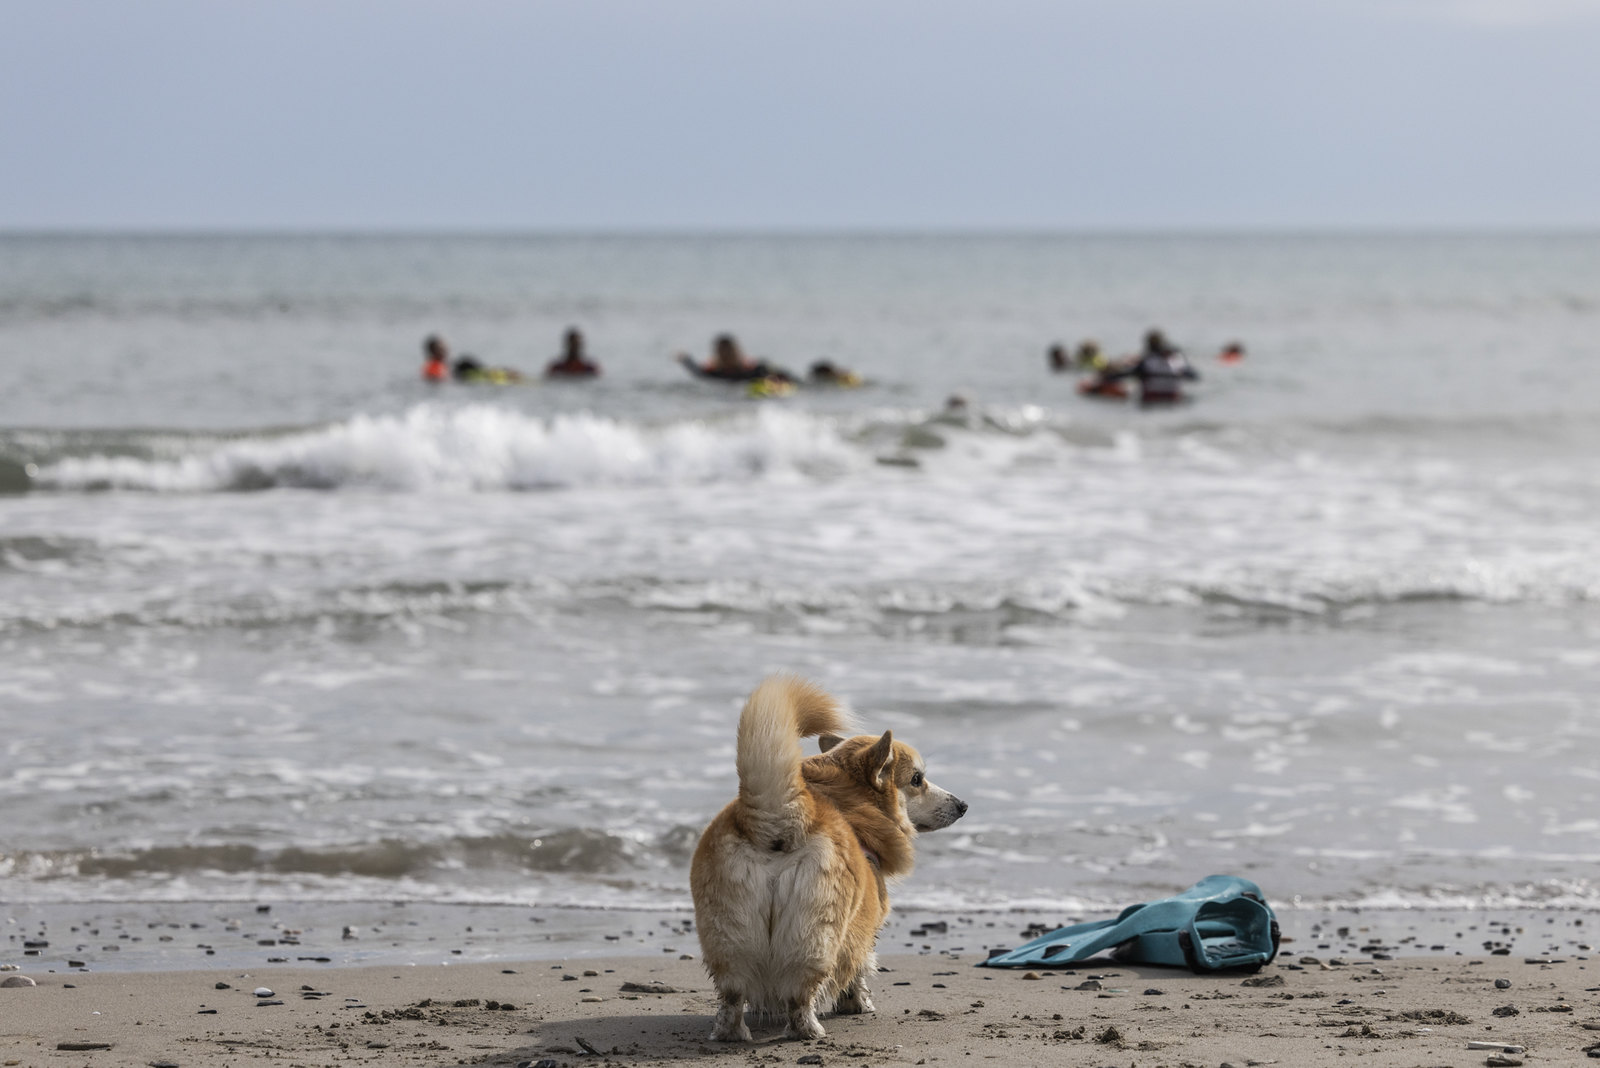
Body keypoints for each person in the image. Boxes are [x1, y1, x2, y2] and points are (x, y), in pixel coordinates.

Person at [1103, 328, 1199, 404]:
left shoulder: (1147, 361)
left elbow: (1129, 373)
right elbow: (1194, 376)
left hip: (1150, 401)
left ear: (1148, 345)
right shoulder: (1177, 359)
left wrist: (1108, 377)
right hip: (1173, 400)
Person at [677, 334, 794, 383]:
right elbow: (698, 372)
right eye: (723, 353)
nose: (727, 356)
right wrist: (685, 359)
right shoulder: (714, 373)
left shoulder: (753, 369)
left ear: (737, 352)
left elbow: (782, 374)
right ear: (717, 354)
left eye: (729, 352)